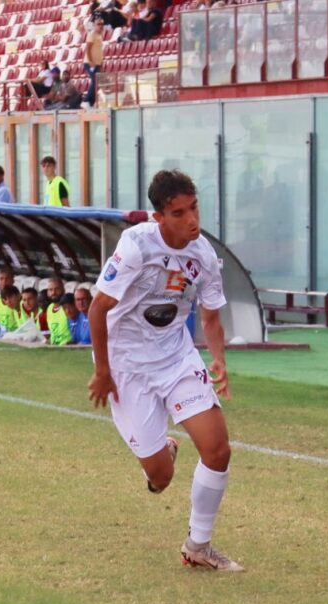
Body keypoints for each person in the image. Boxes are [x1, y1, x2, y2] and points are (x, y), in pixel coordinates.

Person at [88, 169, 241, 572]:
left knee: (217, 448)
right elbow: (98, 308)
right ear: (159, 217)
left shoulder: (204, 255)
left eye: (194, 208)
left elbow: (210, 317)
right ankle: (162, 454)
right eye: (179, 213)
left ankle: (198, 545)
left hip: (176, 356)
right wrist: (103, 371)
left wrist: (219, 359)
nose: (192, 220)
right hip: (126, 365)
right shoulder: (136, 245)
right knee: (160, 476)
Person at [83, 17, 105, 108]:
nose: (101, 26)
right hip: (90, 63)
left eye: (102, 24)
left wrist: (101, 63)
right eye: (98, 24)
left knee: (97, 81)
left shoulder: (99, 36)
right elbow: (88, 48)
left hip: (97, 63)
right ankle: (86, 101)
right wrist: (91, 61)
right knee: (95, 80)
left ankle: (91, 102)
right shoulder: (92, 34)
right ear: (94, 25)